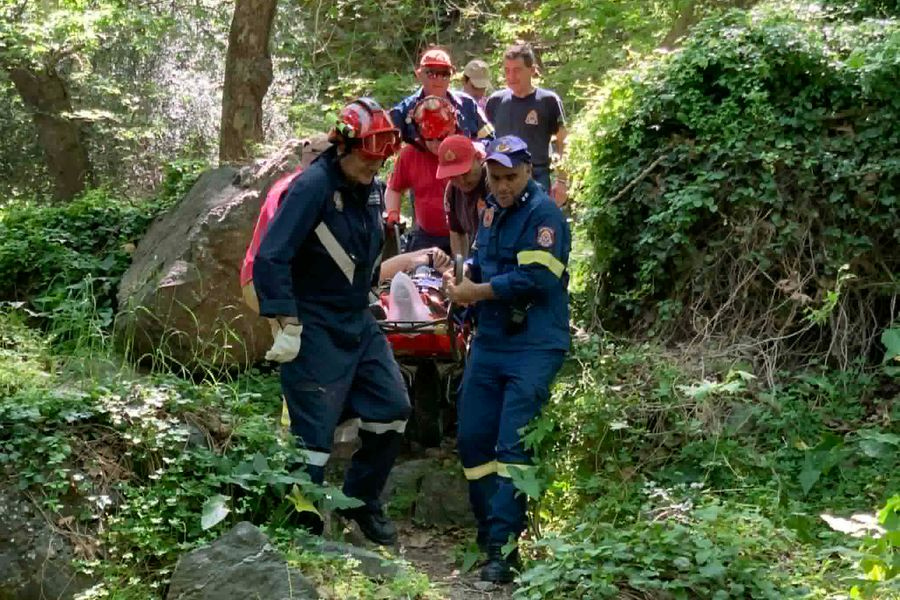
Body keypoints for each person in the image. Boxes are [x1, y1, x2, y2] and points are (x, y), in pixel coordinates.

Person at [252, 97, 408, 546]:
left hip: (358, 319)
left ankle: (361, 500)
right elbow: (271, 256)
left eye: (380, 160)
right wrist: (287, 320)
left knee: (392, 408)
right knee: (313, 436)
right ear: (343, 145)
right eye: (367, 156)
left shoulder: (372, 187)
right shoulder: (312, 187)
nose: (373, 167)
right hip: (314, 323)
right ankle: (303, 528)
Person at [444, 135, 570, 583]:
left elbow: (535, 279)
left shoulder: (545, 216)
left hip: (534, 344)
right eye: (495, 178)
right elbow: (480, 261)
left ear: (528, 172)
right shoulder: (491, 212)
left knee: (513, 447)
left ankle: (505, 552)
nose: (500, 186)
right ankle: (487, 535)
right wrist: (460, 281)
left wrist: (476, 291)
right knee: (475, 441)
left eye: (510, 178)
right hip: (491, 341)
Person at [485, 43, 568, 207]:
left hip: (537, 176)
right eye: (507, 70)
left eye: (517, 70)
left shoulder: (548, 101)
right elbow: (486, 142)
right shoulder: (495, 101)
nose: (511, 76)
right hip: (502, 179)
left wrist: (562, 180)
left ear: (532, 70)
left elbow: (563, 142)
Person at [385, 95, 457, 254]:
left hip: (463, 234)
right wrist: (393, 213)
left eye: (441, 138)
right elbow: (394, 188)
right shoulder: (410, 155)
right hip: (426, 236)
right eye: (430, 139)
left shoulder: (464, 151)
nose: (436, 144)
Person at [391, 46, 494, 148]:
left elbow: (490, 138)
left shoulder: (468, 104)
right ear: (419, 74)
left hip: (461, 163)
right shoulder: (404, 110)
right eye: (432, 73)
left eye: (445, 74)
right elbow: (389, 146)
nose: (439, 79)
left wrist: (475, 147)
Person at [435, 134, 488, 258]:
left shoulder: (493, 182)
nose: (461, 181)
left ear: (478, 158)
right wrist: (461, 268)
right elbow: (457, 234)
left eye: (465, 172)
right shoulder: (452, 192)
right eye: (453, 175)